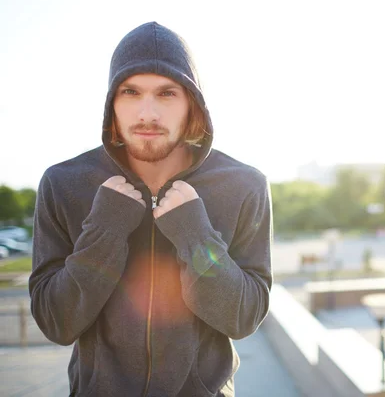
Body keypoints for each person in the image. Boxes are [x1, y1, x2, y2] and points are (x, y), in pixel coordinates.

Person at [29, 21, 273, 397]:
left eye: (166, 93)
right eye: (131, 92)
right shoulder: (64, 184)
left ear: (192, 102)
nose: (147, 113)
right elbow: (56, 323)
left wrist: (195, 233)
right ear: (112, 101)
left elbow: (242, 317)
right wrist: (105, 229)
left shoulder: (243, 185)